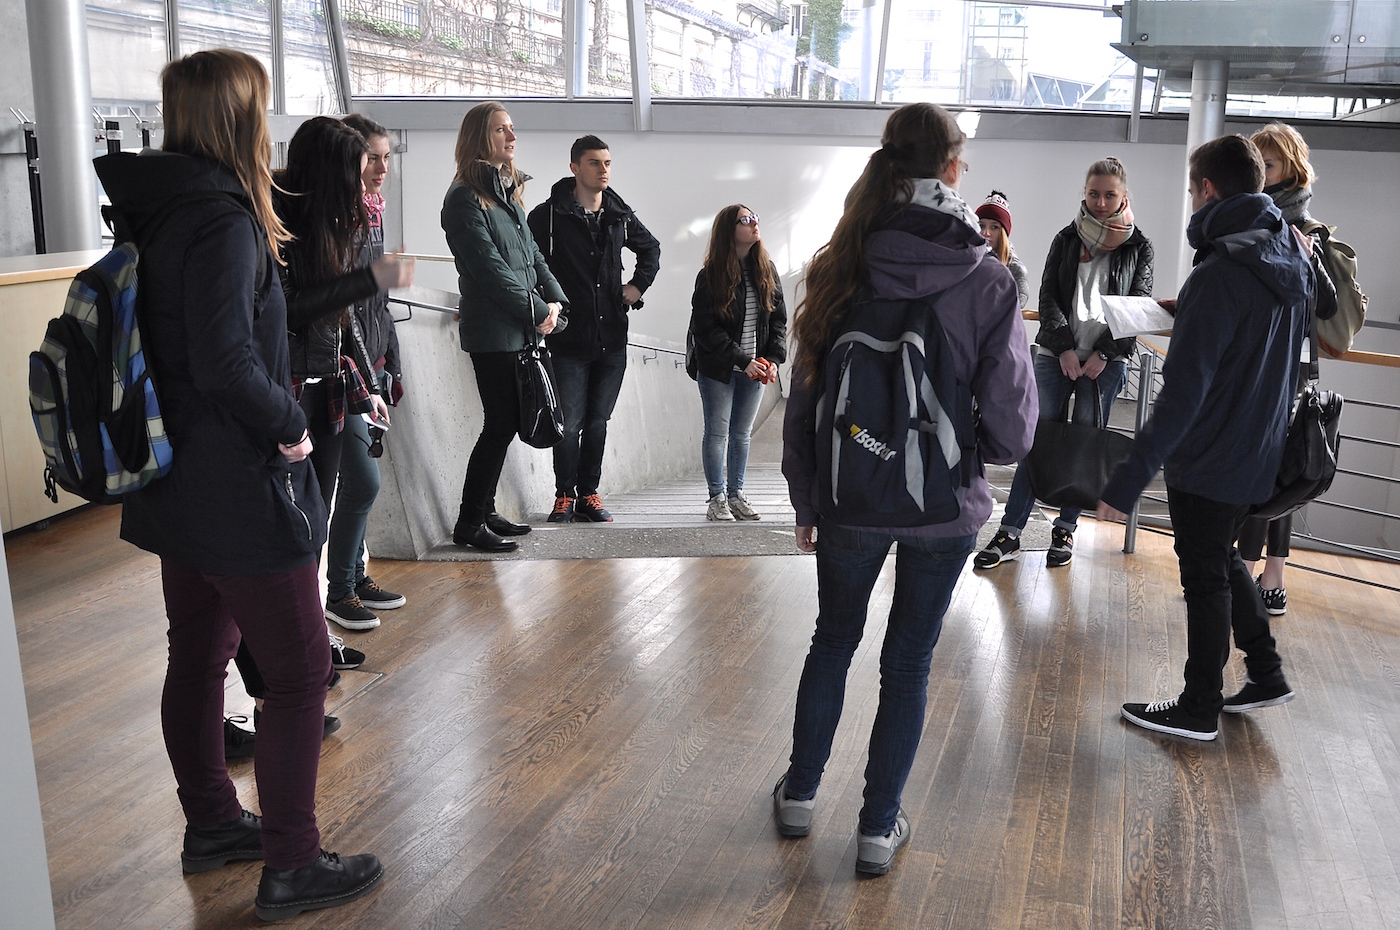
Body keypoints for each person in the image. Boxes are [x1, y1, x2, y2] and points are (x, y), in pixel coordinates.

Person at [92, 48, 383, 919]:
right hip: (236, 485)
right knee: (298, 675)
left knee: (198, 653)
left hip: (177, 482)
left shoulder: (160, 207)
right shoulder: (222, 220)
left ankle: (215, 823)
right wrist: (290, 422)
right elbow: (226, 361)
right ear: (240, 117)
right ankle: (292, 864)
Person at [778, 102, 1036, 875]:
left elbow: (806, 399)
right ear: (952, 168)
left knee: (832, 641)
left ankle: (798, 796)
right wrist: (974, 455)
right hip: (944, 506)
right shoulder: (988, 279)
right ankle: (876, 828)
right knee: (908, 664)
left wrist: (806, 495)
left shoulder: (842, 261)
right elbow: (1014, 427)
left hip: (849, 495)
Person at [1097, 133, 1315, 741]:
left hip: (1211, 451)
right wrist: (1189, 309)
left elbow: (1184, 393)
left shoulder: (1219, 273)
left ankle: (1198, 707)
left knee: (1204, 576)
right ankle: (1266, 673)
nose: (1192, 201)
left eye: (1193, 190)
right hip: (1259, 444)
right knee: (1222, 557)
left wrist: (1128, 478)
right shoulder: (1287, 251)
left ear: (1209, 190)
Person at [974, 156, 1154, 570]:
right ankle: (1010, 532)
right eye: (1094, 193)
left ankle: (1065, 529)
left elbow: (1138, 303)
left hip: (1105, 363)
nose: (1101, 202)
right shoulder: (1066, 238)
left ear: (1124, 196)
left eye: (1109, 195)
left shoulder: (1139, 245)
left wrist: (1105, 353)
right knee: (1034, 442)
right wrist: (1066, 348)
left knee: (1084, 446)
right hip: (1058, 356)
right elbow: (1048, 296)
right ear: (1084, 194)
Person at [275, 117, 411, 628]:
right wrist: (367, 280)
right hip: (290, 392)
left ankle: (320, 619)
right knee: (297, 521)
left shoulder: (340, 220)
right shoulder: (278, 222)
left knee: (317, 514)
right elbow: (290, 309)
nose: (371, 175)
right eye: (363, 164)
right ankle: (312, 622)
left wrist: (369, 387)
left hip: (332, 383)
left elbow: (347, 317)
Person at [442, 101, 568, 552]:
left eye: (512, 128)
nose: (511, 137)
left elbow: (533, 257)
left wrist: (555, 302)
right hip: (494, 332)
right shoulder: (463, 197)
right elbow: (490, 271)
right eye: (500, 130)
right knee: (500, 424)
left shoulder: (506, 193)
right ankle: (469, 522)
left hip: (520, 328)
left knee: (505, 423)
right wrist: (538, 311)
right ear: (479, 137)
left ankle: (485, 510)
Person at [528, 134, 661, 524]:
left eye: (607, 163)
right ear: (574, 168)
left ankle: (589, 494)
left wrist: (636, 287)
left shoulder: (619, 214)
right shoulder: (547, 216)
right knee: (569, 425)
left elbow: (651, 248)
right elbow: (527, 265)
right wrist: (539, 307)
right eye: (594, 163)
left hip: (612, 338)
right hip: (568, 338)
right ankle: (564, 496)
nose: (603, 170)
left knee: (597, 422)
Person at [1235, 122, 1339, 617]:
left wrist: (1305, 255)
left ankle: (1266, 575)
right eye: (1256, 162)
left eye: (1269, 163)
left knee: (1281, 470)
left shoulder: (1307, 229)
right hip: (1255, 363)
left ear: (1291, 169)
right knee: (1263, 468)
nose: (1260, 171)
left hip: (1292, 371)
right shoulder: (1248, 219)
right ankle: (1249, 572)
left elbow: (1327, 306)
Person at [688, 204, 787, 521]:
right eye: (745, 220)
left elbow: (778, 321)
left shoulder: (766, 270)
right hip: (719, 369)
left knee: (742, 434)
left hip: (755, 370)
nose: (754, 223)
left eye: (755, 218)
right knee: (717, 433)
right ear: (728, 231)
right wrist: (742, 360)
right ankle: (716, 498)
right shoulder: (711, 275)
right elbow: (705, 329)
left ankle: (736, 495)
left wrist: (773, 359)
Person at [975, 190, 1031, 308]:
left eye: (994, 227)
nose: (986, 233)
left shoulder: (1016, 270)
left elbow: (1015, 307)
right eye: (981, 226)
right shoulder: (965, 261)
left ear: (1003, 233)